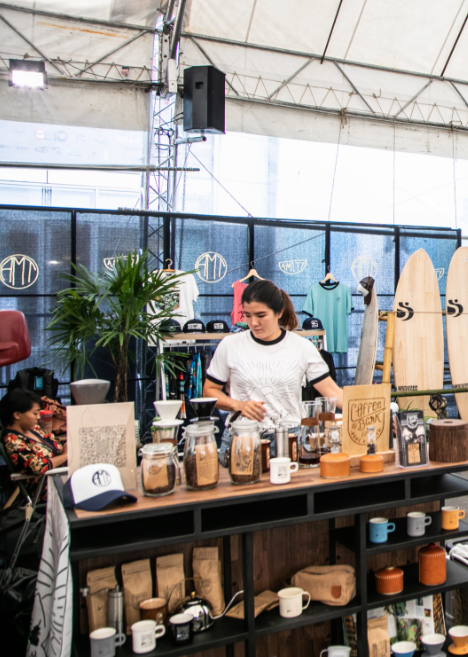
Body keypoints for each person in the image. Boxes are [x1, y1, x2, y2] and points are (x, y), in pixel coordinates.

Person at [203, 280, 343, 429]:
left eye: (261, 315)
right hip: (242, 435)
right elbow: (209, 391)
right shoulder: (229, 345)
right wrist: (238, 405)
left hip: (289, 436)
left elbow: (332, 391)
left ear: (279, 312)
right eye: (247, 315)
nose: (253, 322)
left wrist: (359, 408)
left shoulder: (302, 347)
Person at [0, 389, 67, 498]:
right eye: (35, 413)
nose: (39, 417)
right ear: (17, 415)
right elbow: (38, 466)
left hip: (61, 477)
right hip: (47, 489)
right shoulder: (12, 441)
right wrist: (65, 455)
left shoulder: (33, 429)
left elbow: (55, 443)